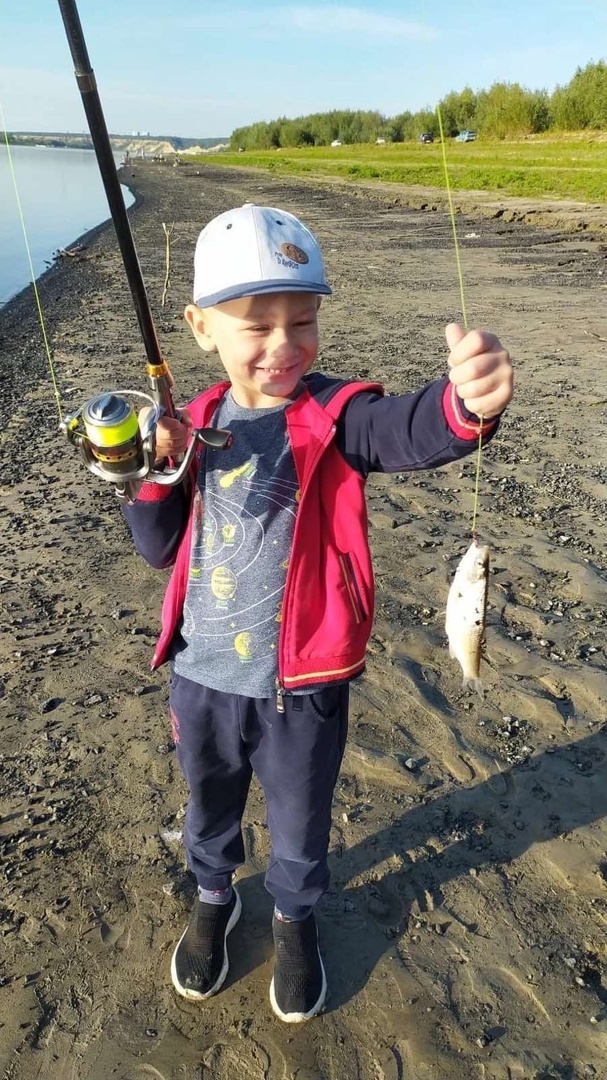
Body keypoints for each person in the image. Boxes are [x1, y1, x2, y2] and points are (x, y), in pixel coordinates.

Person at [122, 203, 514, 1023]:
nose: (283, 344)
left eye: (302, 321)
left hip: (304, 687)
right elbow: (157, 548)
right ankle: (213, 895)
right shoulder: (193, 424)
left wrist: (464, 403)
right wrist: (151, 474)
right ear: (201, 328)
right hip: (201, 677)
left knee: (300, 820)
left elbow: (407, 429)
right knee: (208, 803)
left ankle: (294, 919)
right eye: (256, 324)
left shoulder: (338, 416)